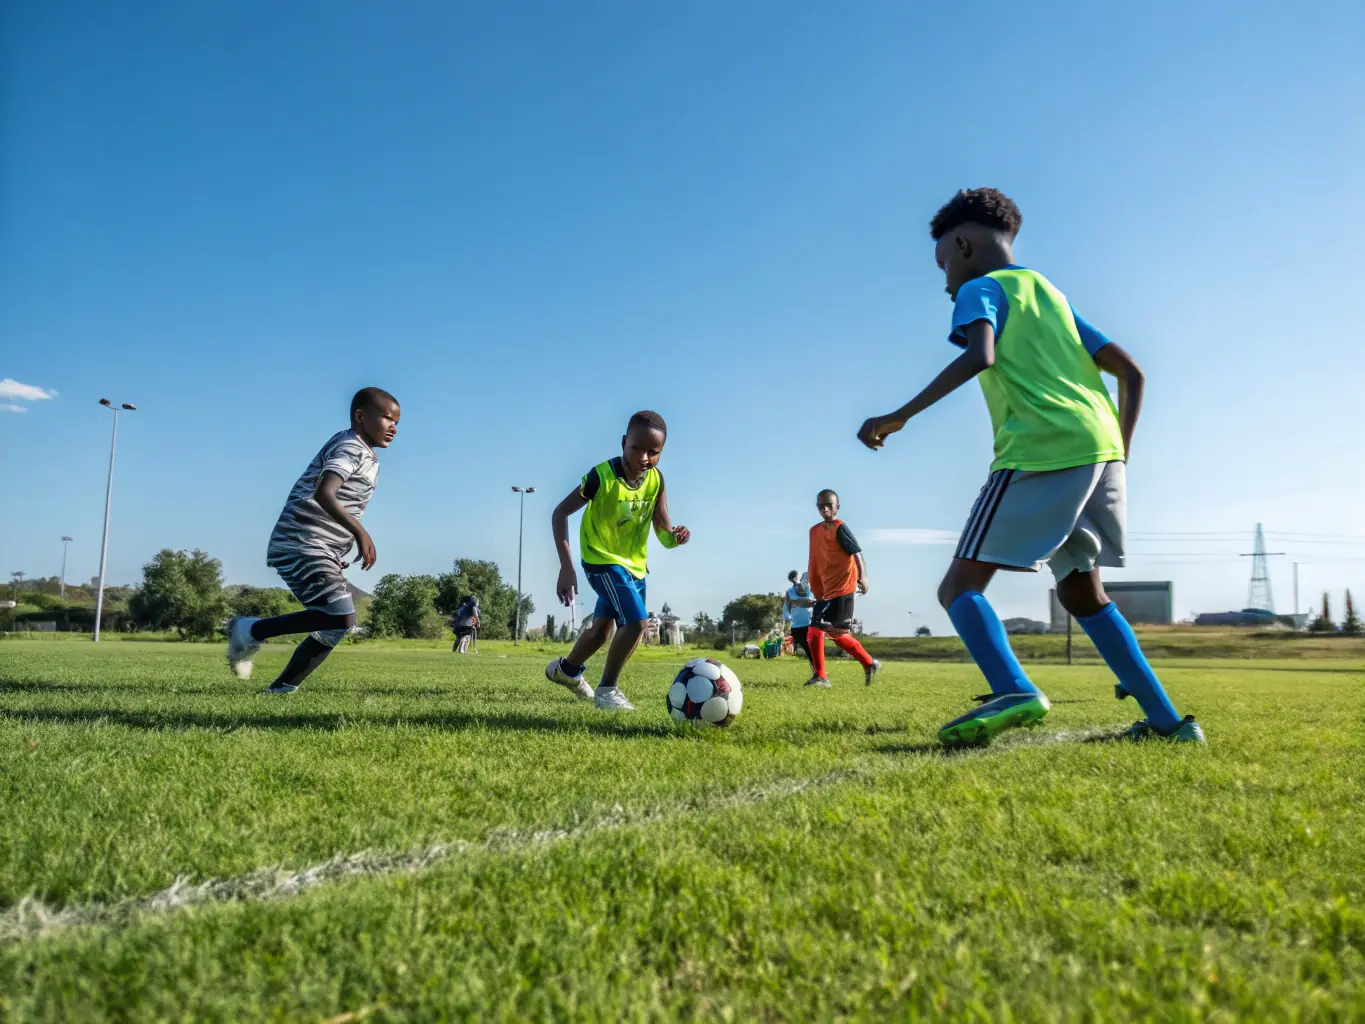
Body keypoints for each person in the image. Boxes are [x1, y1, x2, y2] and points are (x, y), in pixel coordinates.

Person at [857, 187, 1204, 746]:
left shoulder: (979, 289)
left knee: (959, 587)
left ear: (963, 244)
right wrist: (1120, 449)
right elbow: (1133, 374)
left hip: (1039, 451)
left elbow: (980, 355)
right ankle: (1169, 723)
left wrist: (898, 417)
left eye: (943, 261)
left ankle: (1014, 688)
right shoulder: (1052, 296)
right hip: (1102, 454)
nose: (944, 278)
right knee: (1081, 594)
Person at [227, 387, 399, 691]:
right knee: (342, 617)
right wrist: (360, 532)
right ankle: (250, 630)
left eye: (397, 421)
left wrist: (341, 542)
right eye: (387, 418)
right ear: (361, 417)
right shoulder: (351, 448)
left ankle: (281, 688)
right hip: (301, 542)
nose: (394, 427)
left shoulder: (361, 451)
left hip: (317, 546)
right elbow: (324, 492)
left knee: (335, 624)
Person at [544, 411, 690, 710]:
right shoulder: (601, 477)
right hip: (601, 561)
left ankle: (567, 671)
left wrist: (675, 537)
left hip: (634, 566)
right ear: (624, 442)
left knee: (602, 630)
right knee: (636, 622)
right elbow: (560, 512)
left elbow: (662, 532)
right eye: (637, 448)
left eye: (654, 452)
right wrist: (567, 566)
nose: (644, 457)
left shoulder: (656, 481)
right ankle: (607, 690)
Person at [805, 490, 881, 687]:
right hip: (825, 590)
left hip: (843, 588)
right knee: (821, 632)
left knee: (832, 633)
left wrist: (863, 576)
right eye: (821, 505)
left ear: (837, 507)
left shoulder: (840, 527)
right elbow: (814, 559)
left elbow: (856, 553)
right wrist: (815, 586)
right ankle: (824, 676)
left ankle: (865, 663)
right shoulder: (814, 531)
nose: (826, 509)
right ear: (817, 507)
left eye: (829, 505)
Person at [782, 570, 816, 664]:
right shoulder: (791, 592)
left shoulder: (810, 591)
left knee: (812, 648)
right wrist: (788, 619)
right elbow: (786, 609)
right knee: (808, 648)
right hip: (797, 626)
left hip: (810, 624)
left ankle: (817, 669)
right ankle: (816, 668)